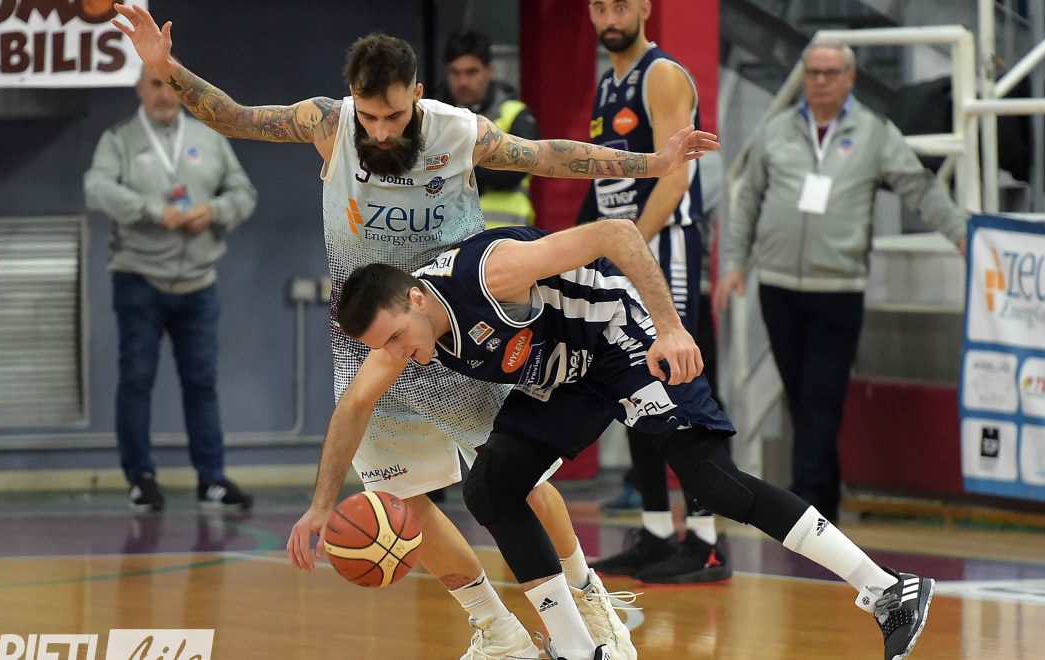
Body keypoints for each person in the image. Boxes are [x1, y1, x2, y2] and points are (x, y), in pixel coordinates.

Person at [113, 6, 714, 657]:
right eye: (370, 116)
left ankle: (586, 596)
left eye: (394, 116)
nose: (379, 130)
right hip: (373, 329)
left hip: (459, 318)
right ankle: (499, 631)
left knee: (518, 475)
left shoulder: (459, 131)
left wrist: (653, 163)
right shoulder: (330, 124)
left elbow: (548, 156)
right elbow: (235, 116)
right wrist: (167, 70)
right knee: (398, 491)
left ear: (417, 95)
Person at [331, 219, 935, 660]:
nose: (395, 354)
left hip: (621, 341)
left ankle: (888, 589)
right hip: (569, 379)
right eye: (383, 347)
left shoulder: (492, 272)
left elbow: (617, 233)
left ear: (416, 299)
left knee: (713, 485)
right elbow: (353, 407)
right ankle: (577, 650)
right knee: (491, 487)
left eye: (395, 338)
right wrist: (318, 505)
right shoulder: (410, 333)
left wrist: (670, 327)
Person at [714, 43, 969, 524]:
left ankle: (803, 503)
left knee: (821, 395)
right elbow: (748, 198)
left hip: (839, 287)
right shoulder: (776, 129)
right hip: (778, 286)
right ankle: (822, 499)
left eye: (830, 73)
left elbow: (916, 185)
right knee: (799, 395)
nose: (820, 81)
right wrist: (735, 263)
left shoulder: (873, 133)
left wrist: (959, 233)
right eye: (812, 72)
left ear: (850, 77)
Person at [579, 0, 726, 584]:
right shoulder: (607, 83)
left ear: (643, 7)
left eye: (620, 5)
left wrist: (630, 244)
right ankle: (657, 530)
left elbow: (676, 177)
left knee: (680, 383)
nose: (609, 17)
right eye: (599, 6)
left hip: (665, 246)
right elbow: (601, 178)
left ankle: (708, 538)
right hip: (627, 248)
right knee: (633, 383)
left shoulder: (660, 75)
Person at [84, 65, 258, 513]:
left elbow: (243, 193)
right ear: (139, 88)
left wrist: (215, 211)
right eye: (155, 85)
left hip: (199, 283)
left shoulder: (209, 138)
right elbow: (96, 189)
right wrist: (151, 210)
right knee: (136, 381)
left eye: (171, 85)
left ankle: (212, 480)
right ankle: (141, 479)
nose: (164, 94)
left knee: (202, 383)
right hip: (138, 280)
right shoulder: (119, 140)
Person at [442, 29, 538, 229]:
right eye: (455, 73)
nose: (463, 82)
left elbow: (513, 171)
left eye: (471, 72)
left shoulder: (514, 113)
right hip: (447, 234)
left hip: (505, 233)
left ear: (490, 71)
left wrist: (453, 163)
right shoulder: (434, 114)